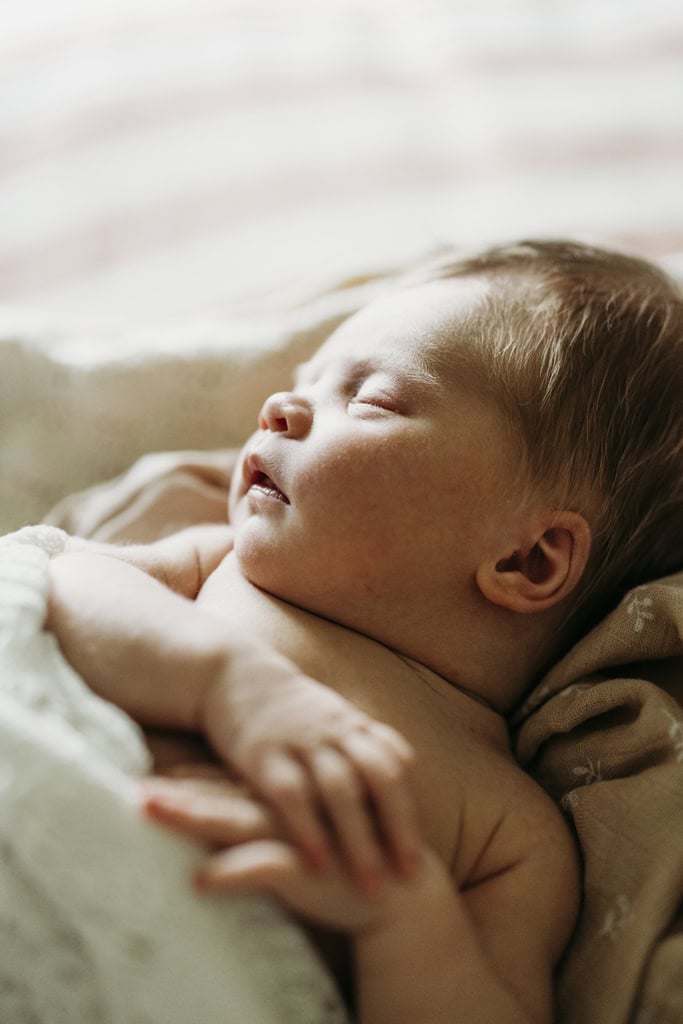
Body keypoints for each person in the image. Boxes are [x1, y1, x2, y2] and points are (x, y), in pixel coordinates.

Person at [46, 240, 683, 1024]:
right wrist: (231, 686)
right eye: (303, 380)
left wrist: (401, 918)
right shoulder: (222, 568)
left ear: (527, 557)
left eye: (372, 398)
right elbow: (67, 579)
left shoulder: (510, 832)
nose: (278, 409)